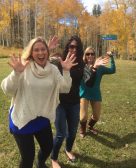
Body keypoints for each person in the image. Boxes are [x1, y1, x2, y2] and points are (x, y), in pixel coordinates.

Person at [2, 37, 77, 168]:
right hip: (22, 117)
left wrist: (66, 71)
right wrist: (16, 73)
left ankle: (40, 163)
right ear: (31, 53)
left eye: (43, 49)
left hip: (42, 116)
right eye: (36, 50)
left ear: (48, 52)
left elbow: (65, 88)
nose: (40, 53)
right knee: (27, 158)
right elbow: (6, 89)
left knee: (48, 147)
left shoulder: (52, 69)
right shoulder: (24, 67)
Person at [50, 36, 86, 167]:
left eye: (76, 47)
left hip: (75, 103)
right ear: (67, 47)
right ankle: (54, 158)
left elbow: (89, 82)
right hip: (59, 102)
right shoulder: (59, 61)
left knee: (72, 131)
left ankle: (68, 149)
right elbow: (43, 62)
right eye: (71, 46)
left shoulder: (82, 64)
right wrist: (49, 50)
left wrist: (94, 68)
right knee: (60, 134)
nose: (74, 49)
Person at [80, 49, 115, 137]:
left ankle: (90, 126)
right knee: (83, 117)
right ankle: (82, 130)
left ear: (94, 55)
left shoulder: (100, 67)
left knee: (96, 116)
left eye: (92, 54)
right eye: (88, 54)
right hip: (84, 93)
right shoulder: (82, 66)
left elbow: (112, 70)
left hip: (95, 93)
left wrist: (111, 57)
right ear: (85, 55)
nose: (90, 56)